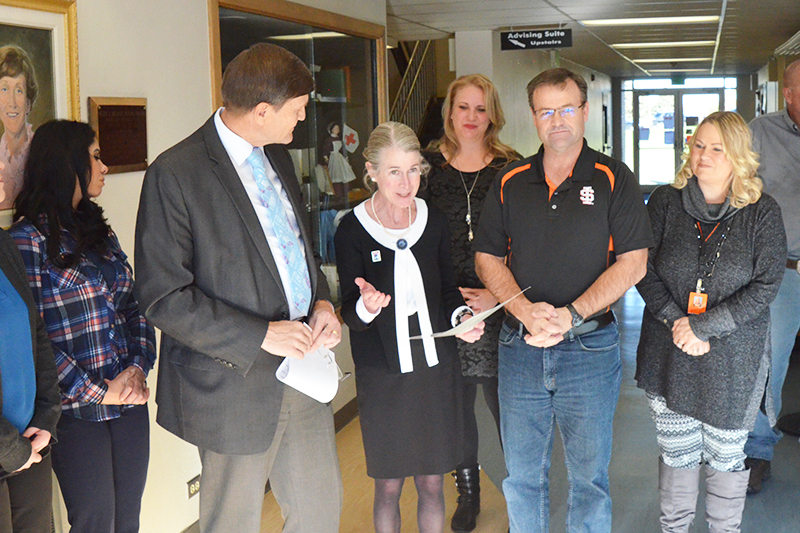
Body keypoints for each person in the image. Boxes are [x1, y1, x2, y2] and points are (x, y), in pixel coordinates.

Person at [134, 43, 343, 533]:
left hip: (304, 372)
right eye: (297, 110)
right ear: (263, 110)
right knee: (233, 523)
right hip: (230, 385)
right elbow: (162, 296)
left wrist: (323, 301)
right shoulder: (176, 173)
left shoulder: (280, 160)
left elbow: (296, 250)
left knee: (320, 513)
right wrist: (259, 336)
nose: (303, 119)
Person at [473, 67, 653, 533]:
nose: (558, 120)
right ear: (532, 117)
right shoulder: (510, 180)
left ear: (585, 112)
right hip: (519, 349)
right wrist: (524, 311)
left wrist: (570, 315)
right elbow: (487, 258)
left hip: (590, 349)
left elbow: (634, 262)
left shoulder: (615, 177)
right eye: (546, 110)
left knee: (589, 478)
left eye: (567, 108)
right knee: (522, 478)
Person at [636, 111, 786, 533]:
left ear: (738, 155)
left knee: (725, 454)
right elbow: (641, 268)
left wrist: (702, 327)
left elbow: (766, 284)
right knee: (678, 452)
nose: (703, 155)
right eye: (698, 145)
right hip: (669, 350)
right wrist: (676, 321)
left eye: (716, 148)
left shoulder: (762, 212)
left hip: (735, 357)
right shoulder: (667, 201)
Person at [335, 121, 484, 533]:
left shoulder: (433, 221)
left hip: (435, 370)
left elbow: (448, 290)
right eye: (395, 172)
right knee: (388, 486)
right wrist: (365, 307)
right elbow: (349, 312)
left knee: (433, 483)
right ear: (372, 171)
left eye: (414, 170)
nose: (406, 182)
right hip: (383, 374)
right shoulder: (351, 230)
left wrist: (462, 319)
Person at [9, 120, 156, 533]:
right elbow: (34, 342)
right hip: (74, 414)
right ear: (66, 163)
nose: (104, 166)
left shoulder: (99, 232)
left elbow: (134, 304)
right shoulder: (26, 242)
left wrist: (138, 368)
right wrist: (100, 391)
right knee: (95, 523)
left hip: (128, 404)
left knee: (127, 520)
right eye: (95, 156)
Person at [421, 73, 517, 532]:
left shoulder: (513, 168)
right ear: (449, 113)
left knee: (510, 411)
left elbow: (529, 241)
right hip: (445, 308)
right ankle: (469, 494)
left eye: (481, 109)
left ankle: (520, 492)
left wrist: (498, 293)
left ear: (493, 114)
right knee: (456, 412)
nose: (472, 118)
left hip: (501, 308)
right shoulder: (424, 169)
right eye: (464, 108)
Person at [743, 58, 800, 494]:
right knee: (769, 363)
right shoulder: (760, 133)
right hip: (784, 272)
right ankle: (758, 450)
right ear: (787, 93)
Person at [0, 158, 60, 533]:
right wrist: (9, 448)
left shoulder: (3, 243)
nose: (4, 184)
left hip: (30, 445)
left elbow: (35, 330)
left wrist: (46, 417)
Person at [0, 45, 37, 210]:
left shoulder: (43, 151)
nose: (12, 102)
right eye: (5, 89)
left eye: (19, 91)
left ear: (28, 103)